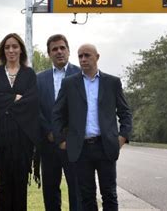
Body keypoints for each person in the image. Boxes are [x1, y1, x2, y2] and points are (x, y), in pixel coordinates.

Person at [52, 44, 133, 211]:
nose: (83, 59)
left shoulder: (112, 82)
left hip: (106, 146)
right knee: (86, 197)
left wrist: (122, 137)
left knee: (109, 194)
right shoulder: (69, 84)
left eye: (87, 55)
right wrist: (60, 140)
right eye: (80, 56)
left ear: (97, 57)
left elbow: (125, 112)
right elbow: (57, 113)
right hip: (81, 149)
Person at [0, 33, 40, 210]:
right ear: (3, 50)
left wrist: (5, 104)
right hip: (1, 137)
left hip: (23, 137)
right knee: (3, 185)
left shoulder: (29, 74)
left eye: (15, 46)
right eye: (7, 47)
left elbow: (31, 102)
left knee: (20, 185)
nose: (11, 50)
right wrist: (14, 98)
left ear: (21, 50)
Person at [37, 34, 82, 211]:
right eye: (54, 49)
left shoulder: (80, 74)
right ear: (49, 54)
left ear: (69, 51)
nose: (59, 52)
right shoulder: (39, 79)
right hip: (48, 143)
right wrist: (49, 132)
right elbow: (36, 110)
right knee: (50, 190)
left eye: (62, 48)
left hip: (74, 143)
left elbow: (85, 108)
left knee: (77, 189)